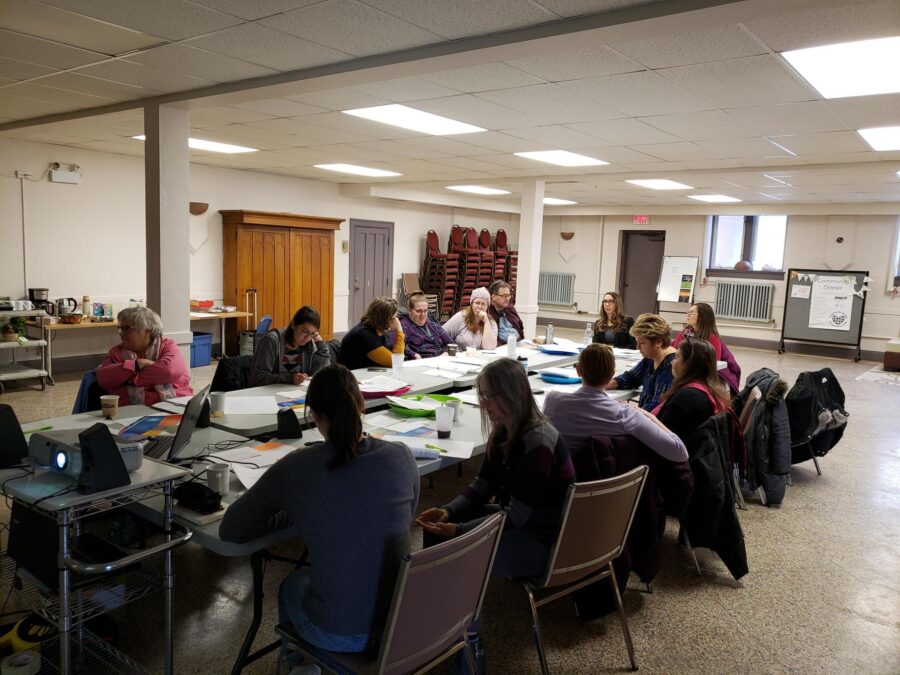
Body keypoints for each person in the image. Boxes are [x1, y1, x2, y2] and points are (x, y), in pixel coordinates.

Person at [220, 364, 419, 654]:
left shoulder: (297, 467)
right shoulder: (401, 456)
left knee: (293, 585)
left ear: (313, 416)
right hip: (403, 624)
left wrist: (294, 511)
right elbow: (404, 518)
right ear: (362, 405)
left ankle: (302, 663)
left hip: (342, 634)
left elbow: (232, 529)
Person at [416, 358, 574, 673]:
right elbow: (482, 485)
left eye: (489, 396)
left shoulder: (538, 442)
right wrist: (448, 510)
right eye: (482, 395)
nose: (483, 403)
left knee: (464, 557)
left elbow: (514, 517)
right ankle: (442, 625)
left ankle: (471, 648)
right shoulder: (505, 429)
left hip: (544, 540)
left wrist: (460, 531)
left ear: (511, 394)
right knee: (437, 534)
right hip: (522, 523)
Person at [544, 344, 686, 462]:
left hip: (559, 485)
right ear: (612, 374)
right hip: (606, 487)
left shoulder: (552, 401)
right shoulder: (625, 415)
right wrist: (651, 417)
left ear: (578, 370)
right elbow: (680, 452)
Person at [96, 306, 192, 407]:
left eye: (127, 328)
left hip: (175, 404)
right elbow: (104, 379)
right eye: (120, 328)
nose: (121, 333)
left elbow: (169, 371)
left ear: (147, 331)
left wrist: (128, 377)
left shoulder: (167, 345)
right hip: (131, 411)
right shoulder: (116, 352)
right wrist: (137, 364)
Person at [652, 338, 730, 444]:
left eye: (677, 357)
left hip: (677, 456)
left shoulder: (684, 398)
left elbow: (661, 440)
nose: (671, 362)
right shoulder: (713, 389)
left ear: (690, 364)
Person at [606, 313, 676, 411]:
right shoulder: (650, 357)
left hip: (654, 421)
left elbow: (656, 406)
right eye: (637, 342)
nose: (637, 347)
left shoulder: (670, 366)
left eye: (642, 343)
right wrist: (611, 383)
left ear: (659, 342)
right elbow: (632, 377)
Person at [249, 305, 330, 386]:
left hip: (295, 395)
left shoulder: (309, 344)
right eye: (305, 331)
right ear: (294, 325)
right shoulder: (272, 340)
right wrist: (289, 378)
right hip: (268, 394)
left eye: (312, 334)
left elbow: (320, 375)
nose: (307, 338)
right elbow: (258, 377)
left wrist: (321, 345)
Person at [338, 297, 405, 370]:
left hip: (366, 373)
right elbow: (396, 362)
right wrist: (399, 329)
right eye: (393, 318)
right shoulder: (365, 335)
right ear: (383, 319)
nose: (396, 321)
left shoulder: (378, 329)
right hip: (352, 377)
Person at [400, 292, 451, 360]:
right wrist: (414, 354)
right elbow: (399, 346)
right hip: (421, 361)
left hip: (440, 359)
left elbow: (450, 343)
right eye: (419, 311)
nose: (423, 314)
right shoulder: (404, 326)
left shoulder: (433, 325)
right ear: (410, 310)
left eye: (425, 311)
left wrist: (445, 353)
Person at [486, 280, 523, 346]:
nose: (508, 298)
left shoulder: (510, 308)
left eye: (509, 295)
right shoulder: (488, 312)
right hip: (501, 347)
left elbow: (520, 327)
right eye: (504, 296)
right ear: (493, 297)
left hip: (518, 344)